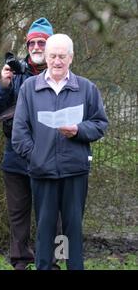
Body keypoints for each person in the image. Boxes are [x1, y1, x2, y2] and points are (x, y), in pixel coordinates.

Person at [11, 34, 108, 270]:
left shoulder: (86, 88)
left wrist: (78, 130)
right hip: (41, 171)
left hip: (75, 170)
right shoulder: (29, 88)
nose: (56, 61)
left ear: (71, 58)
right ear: (45, 56)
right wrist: (36, 156)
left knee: (73, 229)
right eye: (52, 56)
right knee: (44, 229)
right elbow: (19, 133)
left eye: (62, 56)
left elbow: (100, 124)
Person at [0, 18, 54, 270]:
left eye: (42, 42)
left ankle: (51, 262)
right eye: (32, 43)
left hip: (49, 157)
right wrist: (3, 84)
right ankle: (20, 262)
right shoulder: (15, 72)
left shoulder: (58, 72)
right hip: (15, 156)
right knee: (18, 214)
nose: (36, 47)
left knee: (50, 214)